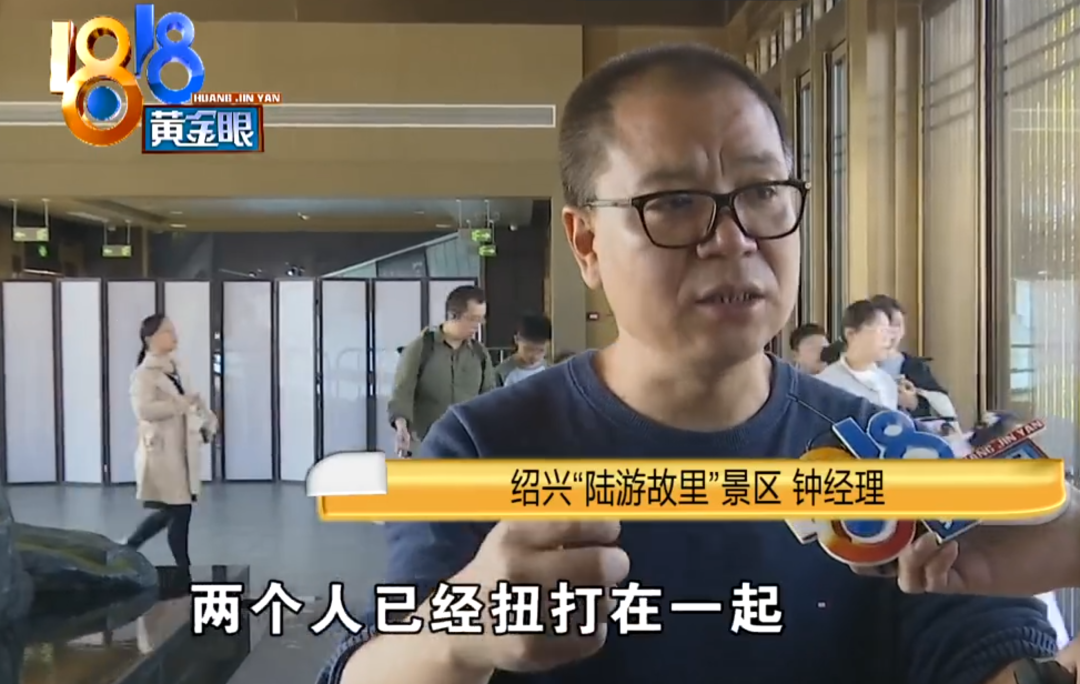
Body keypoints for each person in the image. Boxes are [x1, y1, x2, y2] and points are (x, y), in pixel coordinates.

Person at [323, 44, 1060, 684]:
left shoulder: (881, 456)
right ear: (586, 244)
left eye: (762, 193)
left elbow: (997, 654)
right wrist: (456, 639)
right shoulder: (484, 446)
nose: (733, 238)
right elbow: (371, 664)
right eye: (674, 201)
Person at [123, 314, 217, 567]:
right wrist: (178, 404)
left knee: (175, 508)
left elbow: (191, 400)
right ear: (150, 338)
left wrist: (207, 421)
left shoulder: (176, 368)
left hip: (182, 448)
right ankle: (180, 565)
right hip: (162, 451)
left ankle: (131, 546)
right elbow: (143, 410)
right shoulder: (144, 374)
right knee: (179, 508)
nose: (174, 336)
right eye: (167, 331)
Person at [389, 285, 496, 457]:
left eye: (481, 319)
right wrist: (401, 427)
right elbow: (402, 391)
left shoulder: (479, 354)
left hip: (467, 448)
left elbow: (489, 398)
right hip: (426, 445)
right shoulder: (421, 348)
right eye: (473, 319)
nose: (478, 325)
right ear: (453, 315)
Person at [816, 299, 917, 411]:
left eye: (889, 332)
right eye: (882, 331)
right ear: (851, 334)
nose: (888, 339)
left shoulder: (887, 382)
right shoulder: (825, 384)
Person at [870, 294, 956, 420]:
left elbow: (942, 410)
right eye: (885, 325)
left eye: (898, 325)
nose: (892, 332)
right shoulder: (854, 365)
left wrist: (913, 403)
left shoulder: (915, 367)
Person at [494, 314, 552, 387]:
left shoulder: (551, 371)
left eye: (541, 350)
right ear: (516, 340)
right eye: (529, 349)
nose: (534, 356)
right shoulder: (501, 373)